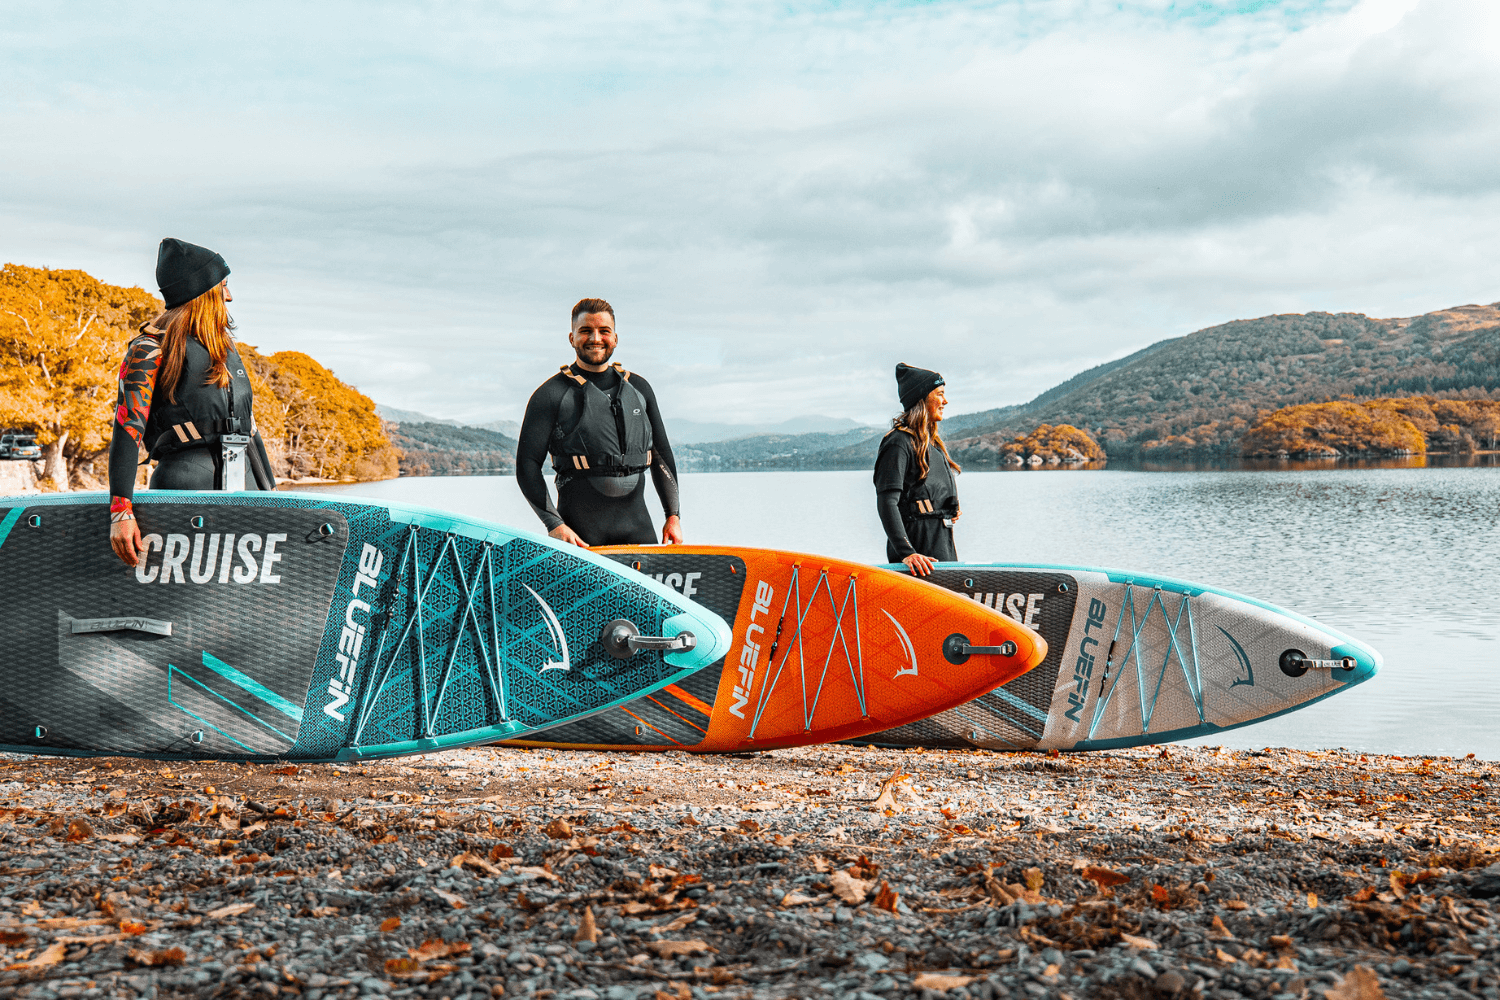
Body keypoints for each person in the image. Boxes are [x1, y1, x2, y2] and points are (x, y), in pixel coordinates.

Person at [108, 238, 276, 567]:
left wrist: (274, 498)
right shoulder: (149, 348)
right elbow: (127, 431)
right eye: (223, 286)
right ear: (201, 291)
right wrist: (120, 513)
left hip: (247, 485)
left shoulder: (223, 348)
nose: (229, 296)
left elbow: (248, 428)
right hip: (185, 488)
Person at [516, 298, 683, 547]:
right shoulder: (551, 395)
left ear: (615, 338)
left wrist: (673, 516)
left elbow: (661, 455)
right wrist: (555, 525)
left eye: (604, 331)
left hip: (640, 532)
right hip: (580, 539)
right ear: (572, 338)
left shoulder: (639, 388)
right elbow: (527, 466)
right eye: (585, 331)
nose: (595, 338)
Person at [874, 363, 961, 576]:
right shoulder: (898, 443)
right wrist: (907, 553)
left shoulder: (932, 445)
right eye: (940, 394)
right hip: (916, 562)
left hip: (943, 552)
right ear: (922, 399)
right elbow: (887, 502)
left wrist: (948, 509)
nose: (945, 401)